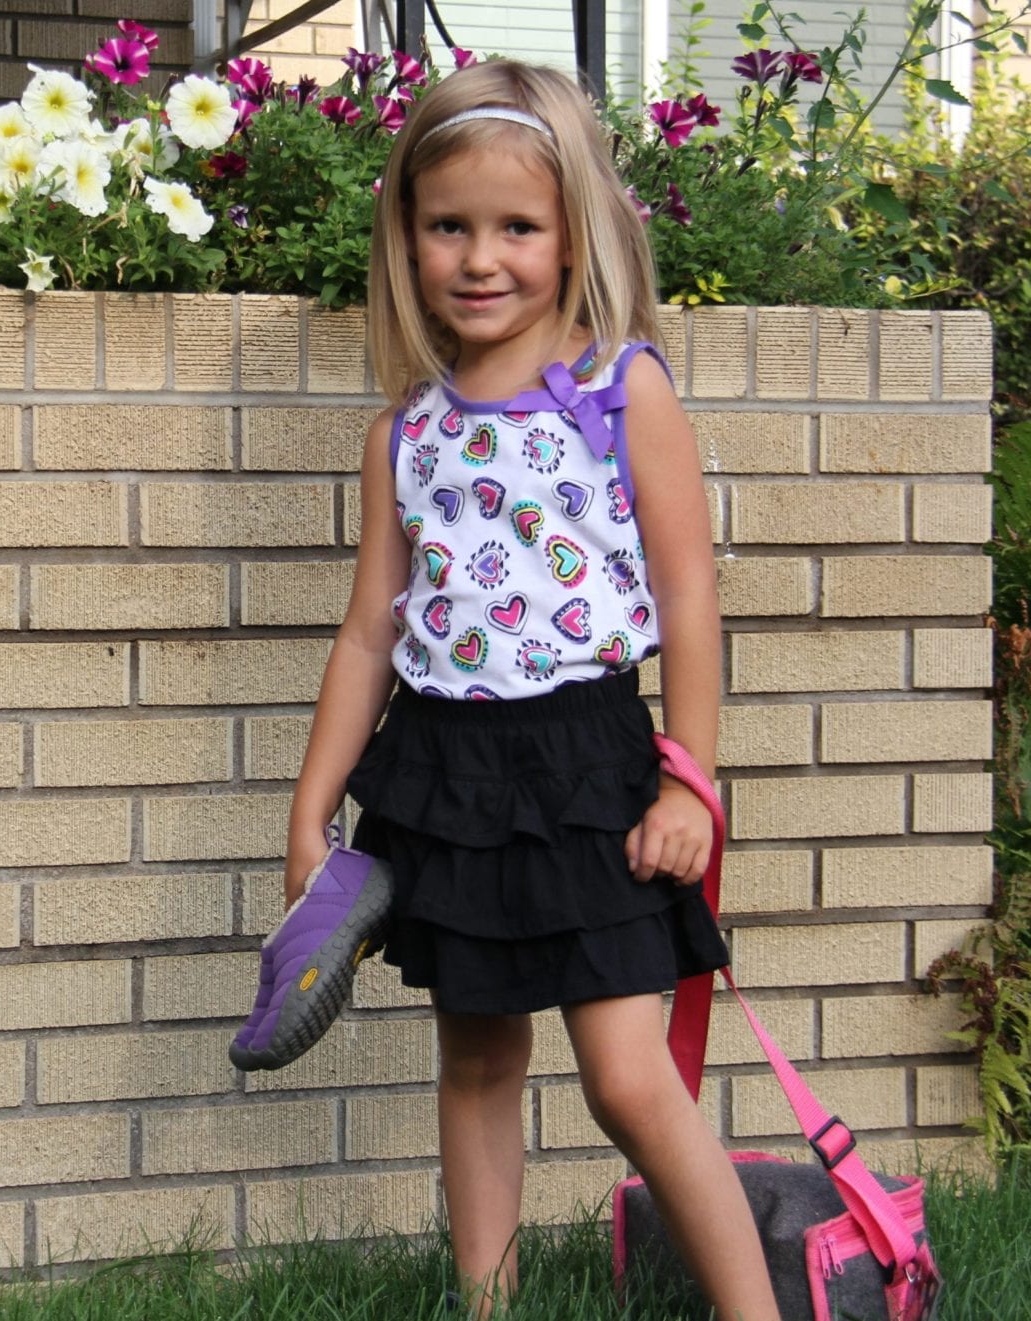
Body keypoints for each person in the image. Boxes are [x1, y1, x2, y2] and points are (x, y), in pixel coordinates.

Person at [282, 60, 783, 1321]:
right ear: (407, 236)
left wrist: (692, 775)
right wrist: (310, 809)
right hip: (445, 772)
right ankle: (486, 1307)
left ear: (575, 239)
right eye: (448, 225)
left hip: (588, 770)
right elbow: (366, 633)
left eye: (518, 227)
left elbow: (688, 597)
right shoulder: (406, 433)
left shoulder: (621, 392)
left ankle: (754, 1311)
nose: (480, 256)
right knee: (478, 1055)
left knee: (627, 1076)